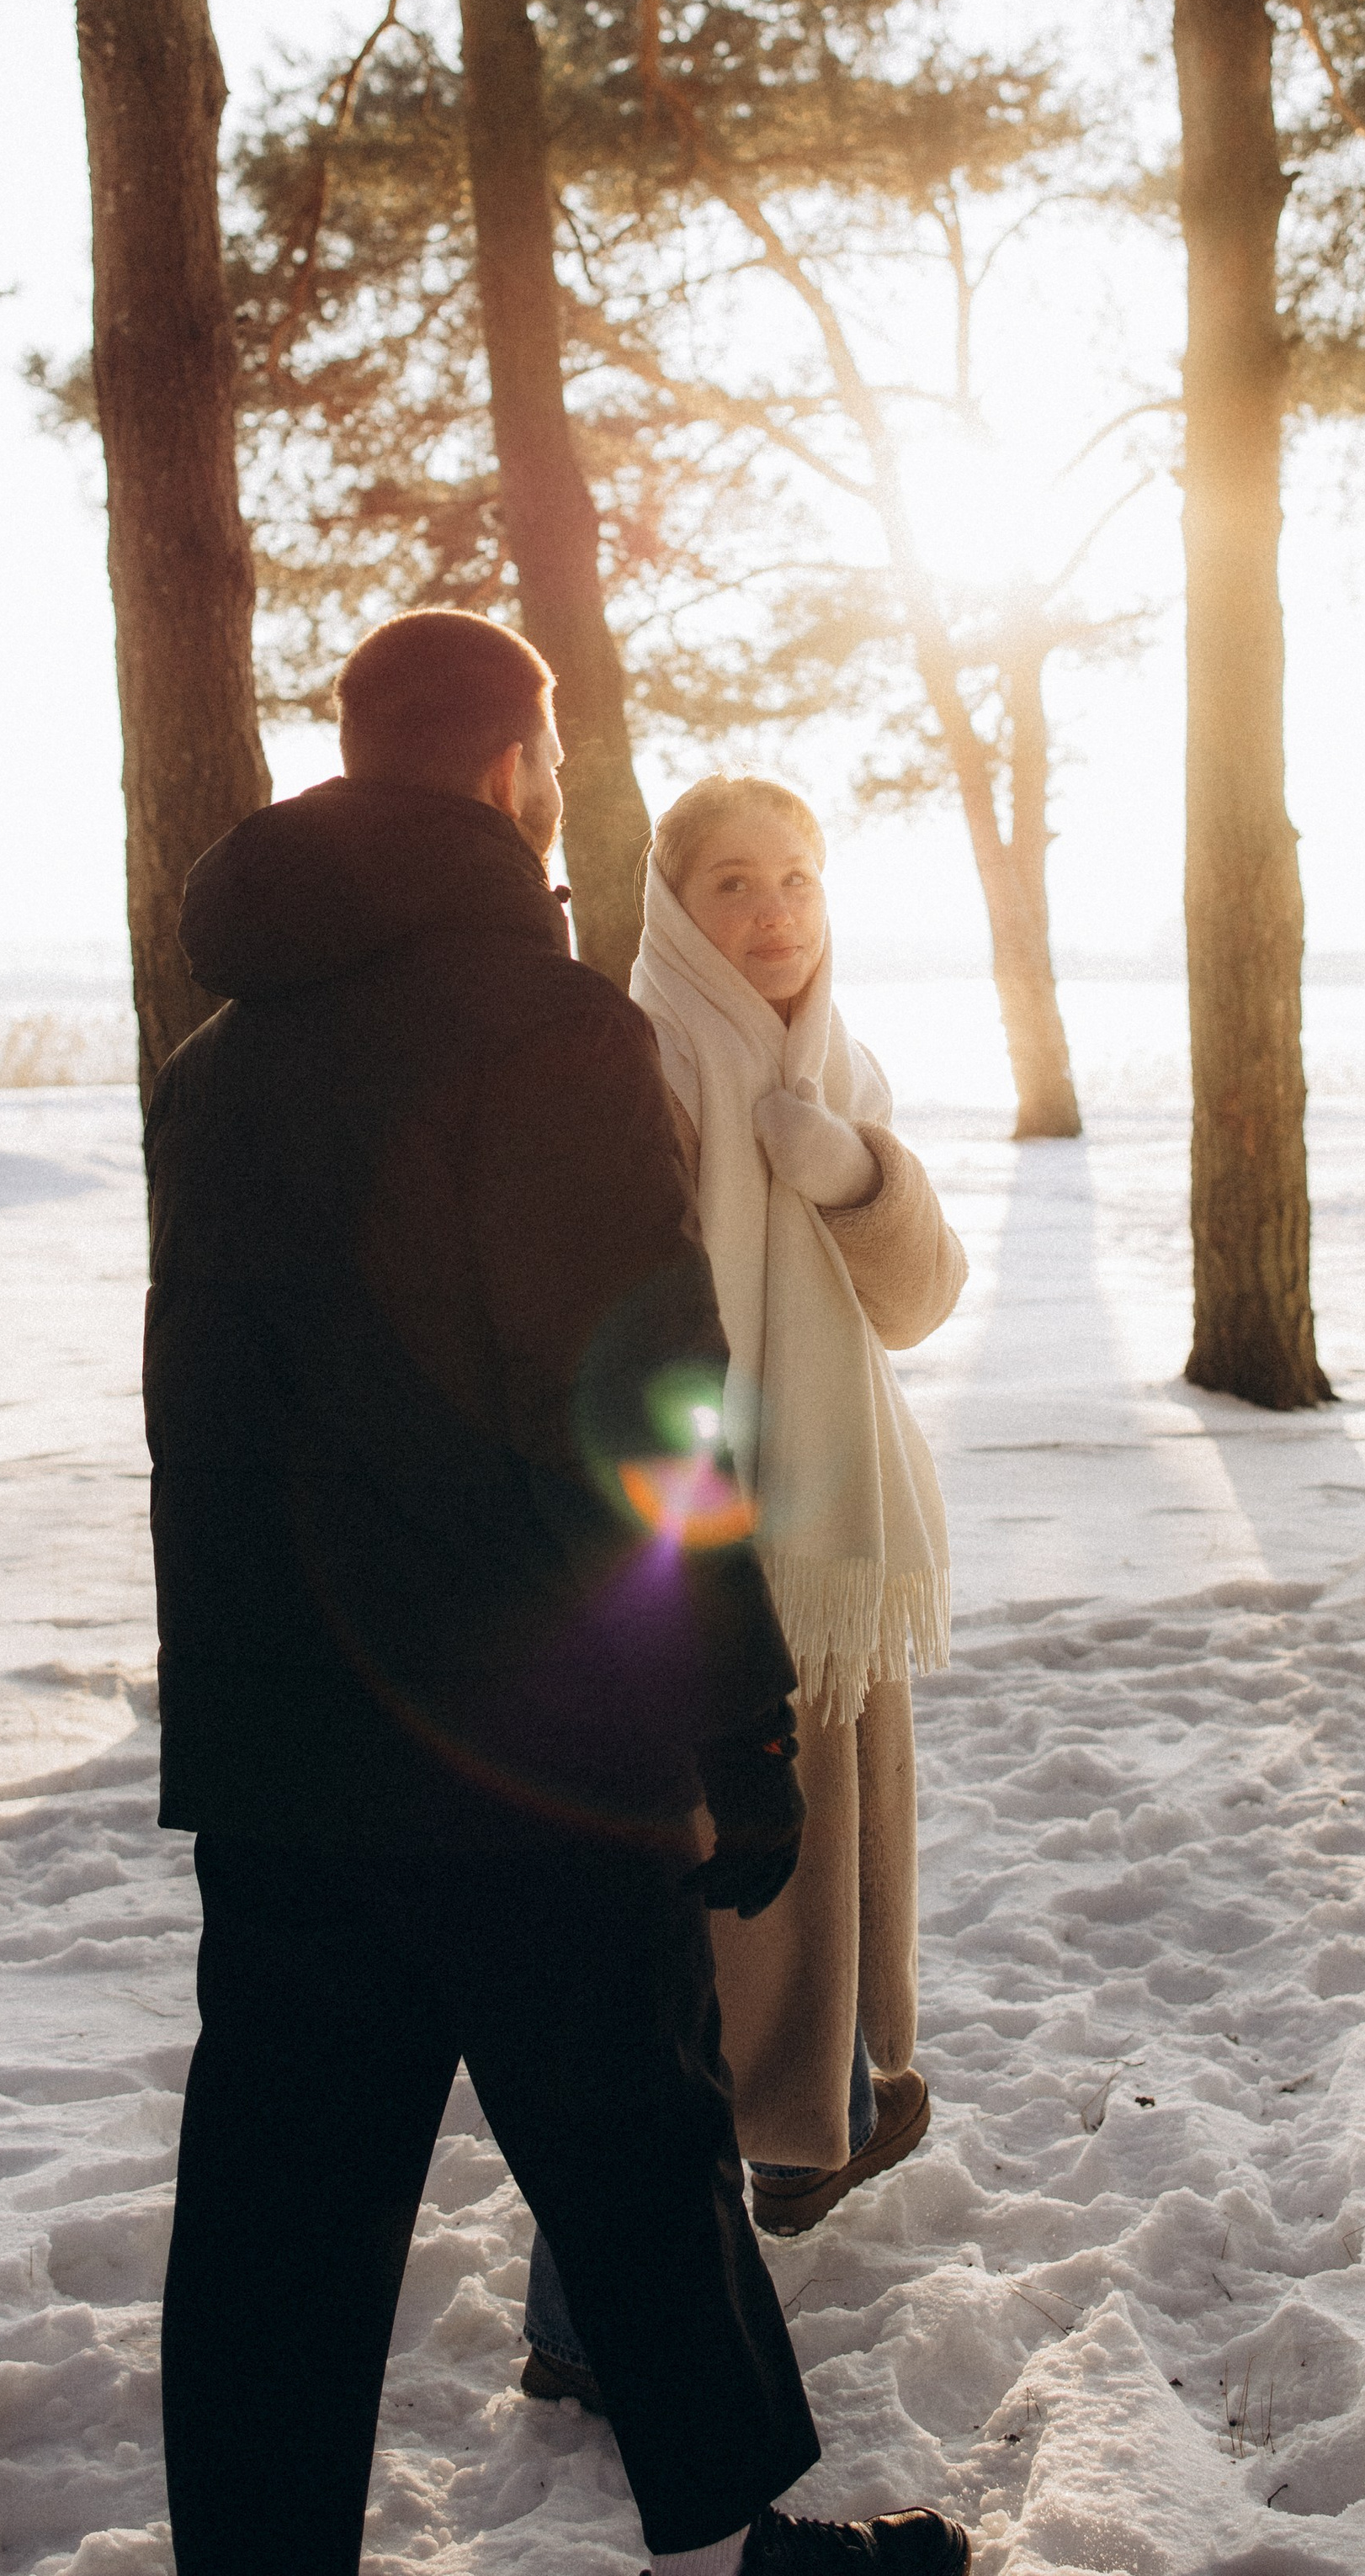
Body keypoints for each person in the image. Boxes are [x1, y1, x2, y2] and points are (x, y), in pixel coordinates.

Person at [146, 611, 968, 2576]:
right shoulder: (551, 1033)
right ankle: (735, 2543)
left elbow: (203, 1412)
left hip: (283, 1740)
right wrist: (734, 1719)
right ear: (520, 769)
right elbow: (645, 1410)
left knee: (274, 2213)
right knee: (642, 2157)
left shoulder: (215, 1063)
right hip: (528, 1742)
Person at [525, 773, 965, 2403]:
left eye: (797, 879)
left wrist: (851, 1174)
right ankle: (589, 2321)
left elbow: (915, 1303)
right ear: (673, 904)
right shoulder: (642, 1058)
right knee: (684, 1941)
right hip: (703, 1554)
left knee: (808, 1876)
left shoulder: (838, 1063)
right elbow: (628, 1339)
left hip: (838, 1541)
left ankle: (817, 2122)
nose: (774, 913)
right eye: (733, 883)